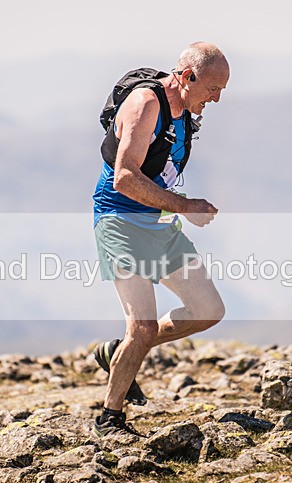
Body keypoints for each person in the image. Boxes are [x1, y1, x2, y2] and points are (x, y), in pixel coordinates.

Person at [90, 42, 229, 438]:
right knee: (144, 328)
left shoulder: (185, 111)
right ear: (188, 77)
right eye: (213, 89)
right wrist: (185, 206)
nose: (217, 98)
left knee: (208, 308)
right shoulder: (146, 104)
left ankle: (119, 355)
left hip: (158, 223)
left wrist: (176, 209)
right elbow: (125, 178)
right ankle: (110, 418)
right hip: (119, 219)